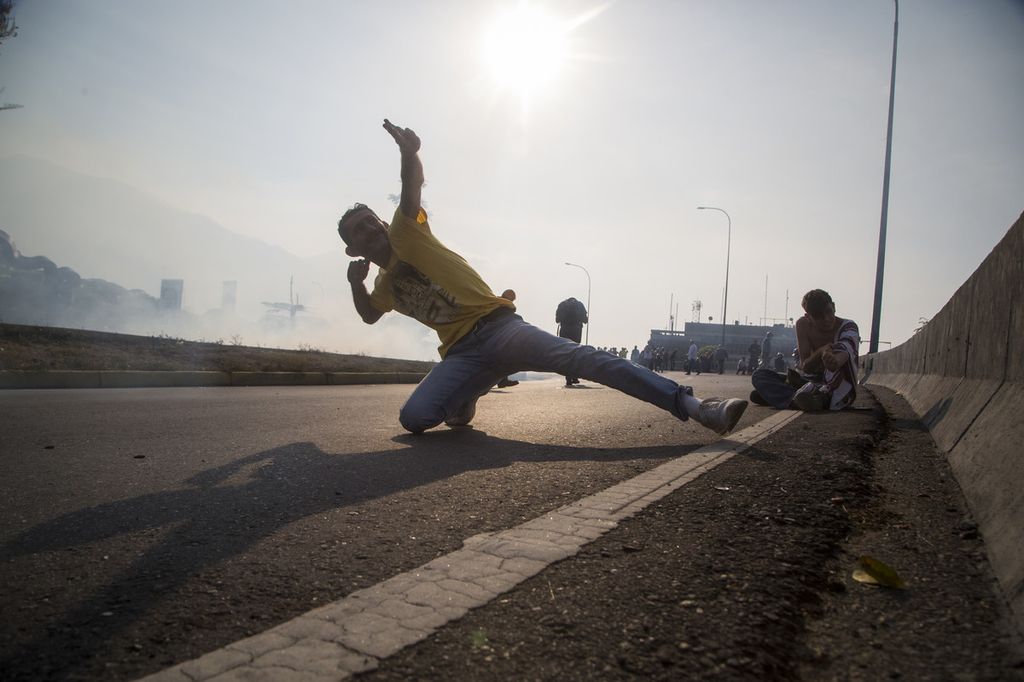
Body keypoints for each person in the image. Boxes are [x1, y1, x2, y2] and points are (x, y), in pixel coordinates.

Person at [338, 120, 747, 435]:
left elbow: (412, 185)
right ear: (353, 250)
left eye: (371, 220)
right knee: (415, 419)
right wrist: (357, 284)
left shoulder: (406, 230)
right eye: (360, 230)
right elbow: (370, 316)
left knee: (584, 359)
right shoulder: (383, 286)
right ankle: (466, 398)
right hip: (461, 355)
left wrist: (409, 153)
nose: (372, 229)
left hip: (500, 329)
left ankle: (697, 407)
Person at [750, 289, 859, 411]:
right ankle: (800, 398)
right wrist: (822, 351)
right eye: (819, 316)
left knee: (758, 393)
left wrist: (834, 361)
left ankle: (792, 398)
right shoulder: (803, 325)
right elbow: (806, 366)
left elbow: (846, 349)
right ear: (808, 317)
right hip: (810, 380)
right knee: (759, 376)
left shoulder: (848, 327)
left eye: (828, 312)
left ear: (833, 307)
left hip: (833, 385)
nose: (826, 319)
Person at [555, 296, 588, 386]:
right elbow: (585, 320)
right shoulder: (580, 305)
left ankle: (568, 378)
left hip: (564, 331)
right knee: (575, 353)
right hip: (576, 331)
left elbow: (557, 320)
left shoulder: (562, 305)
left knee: (566, 354)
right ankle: (575, 377)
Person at [496, 288, 519, 388]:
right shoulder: (503, 305)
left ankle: (502, 380)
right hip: (496, 335)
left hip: (496, 334)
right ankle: (502, 381)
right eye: (512, 299)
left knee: (502, 357)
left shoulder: (495, 301)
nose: (512, 302)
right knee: (501, 357)